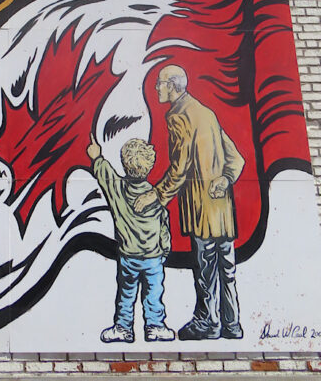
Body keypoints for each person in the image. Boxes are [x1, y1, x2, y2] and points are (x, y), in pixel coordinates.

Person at [136, 65, 245, 341]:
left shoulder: (179, 116)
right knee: (227, 269)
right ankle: (232, 325)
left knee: (205, 268)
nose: (156, 88)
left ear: (173, 86)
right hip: (223, 209)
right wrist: (226, 178)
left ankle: (208, 323)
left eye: (160, 84)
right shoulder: (205, 112)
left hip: (202, 209)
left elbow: (180, 167)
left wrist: (157, 195)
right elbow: (236, 158)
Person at [87, 133, 174, 344]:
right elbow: (164, 223)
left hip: (128, 256)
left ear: (125, 165)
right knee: (154, 293)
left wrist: (96, 157)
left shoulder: (118, 189)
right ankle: (155, 326)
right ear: (149, 167)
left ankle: (123, 328)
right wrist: (165, 249)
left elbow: (105, 175)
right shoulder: (154, 195)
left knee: (126, 294)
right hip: (154, 257)